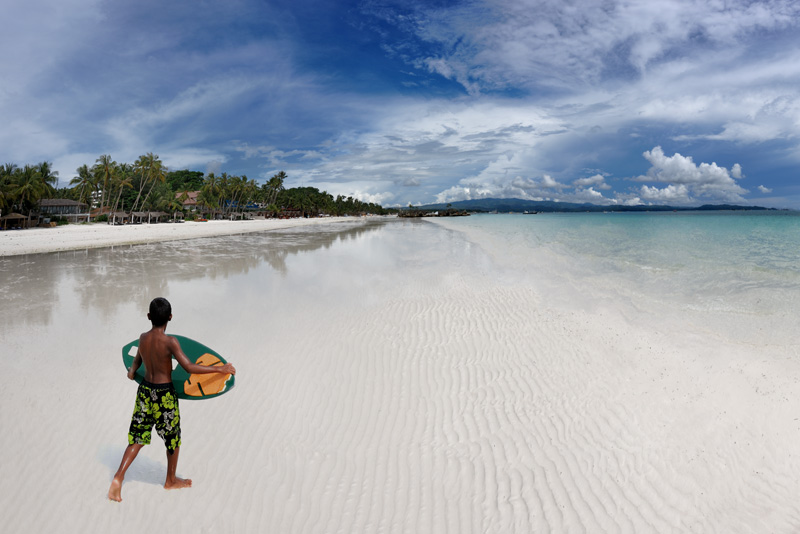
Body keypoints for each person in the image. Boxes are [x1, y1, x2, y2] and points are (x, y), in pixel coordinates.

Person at [108, 297, 236, 502]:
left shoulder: (142, 338)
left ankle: (118, 476)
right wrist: (220, 368)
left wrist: (132, 372)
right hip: (164, 395)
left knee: (137, 438)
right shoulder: (170, 342)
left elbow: (136, 361)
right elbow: (189, 367)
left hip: (144, 392)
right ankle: (170, 480)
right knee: (172, 439)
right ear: (170, 317)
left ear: (148, 316)